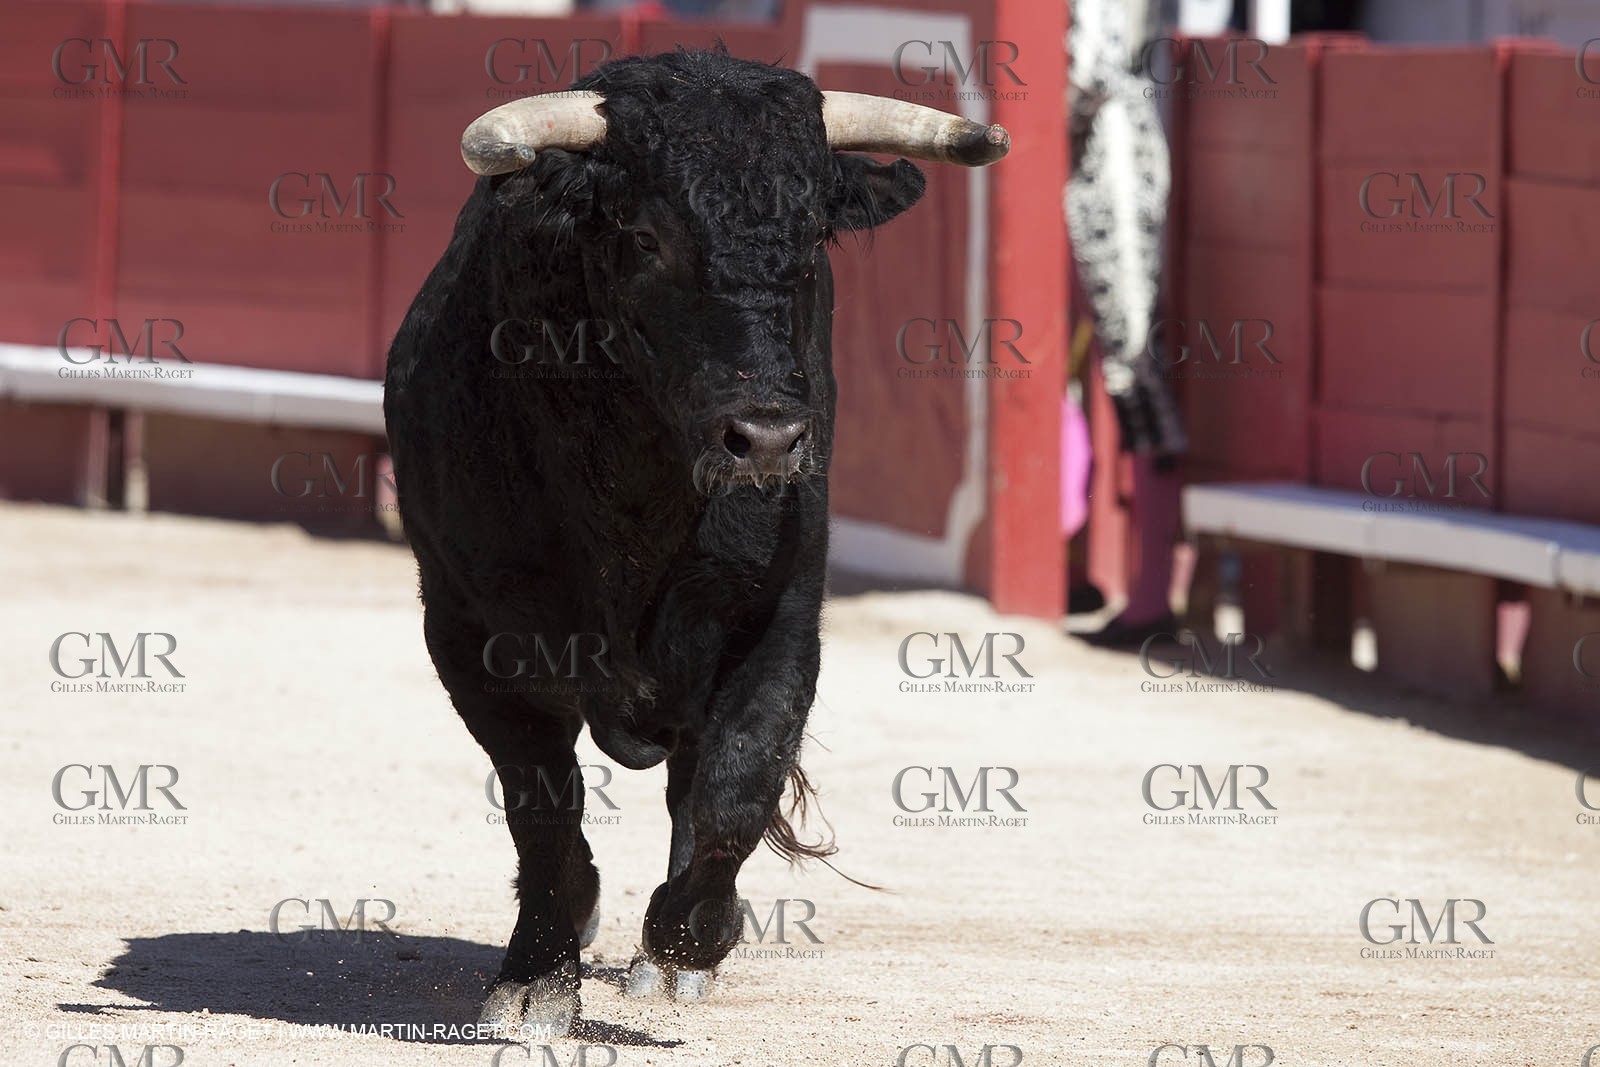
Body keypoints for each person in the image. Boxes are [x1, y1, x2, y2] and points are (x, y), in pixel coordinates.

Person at [1065, 0, 1186, 647]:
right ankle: (1134, 588)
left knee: (1133, 359)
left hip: (1107, 146)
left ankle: (1151, 599)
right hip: (1114, 137)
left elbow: (1087, 69)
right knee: (1118, 359)